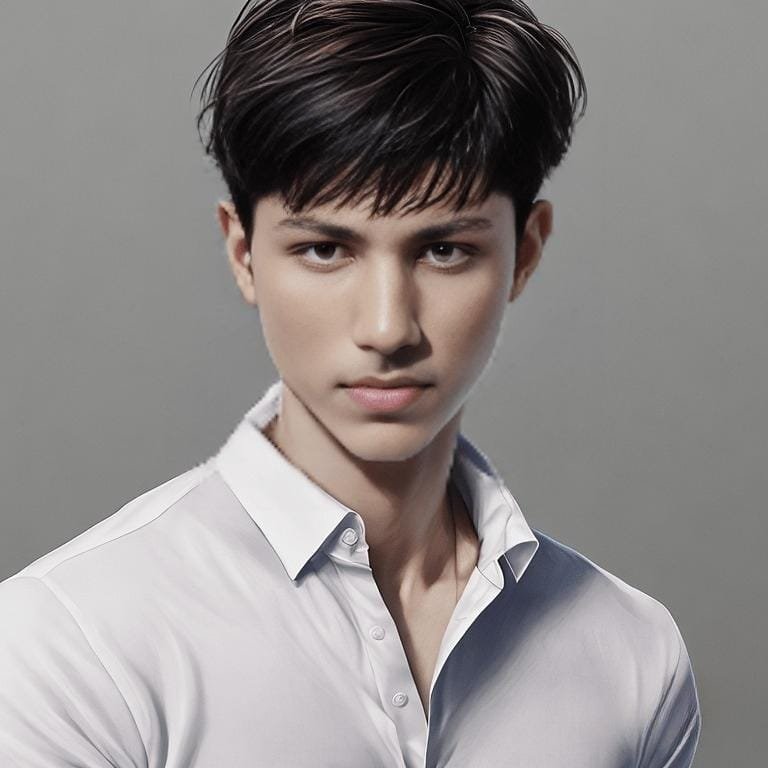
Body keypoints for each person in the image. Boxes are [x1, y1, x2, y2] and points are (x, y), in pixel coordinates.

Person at [0, 1, 701, 766]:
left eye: (444, 250)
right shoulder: (72, 646)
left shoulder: (632, 655)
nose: (388, 327)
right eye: (326, 250)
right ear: (243, 254)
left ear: (524, 254)